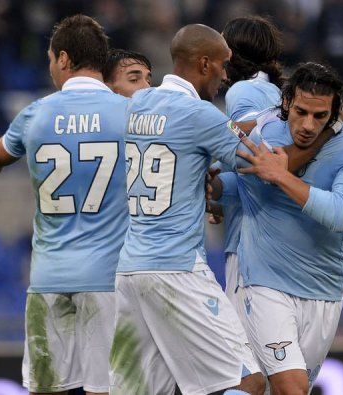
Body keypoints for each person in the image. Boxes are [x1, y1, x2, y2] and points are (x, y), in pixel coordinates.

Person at [108, 24, 265, 395]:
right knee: (247, 381)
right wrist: (277, 120)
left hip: (130, 271)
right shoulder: (200, 115)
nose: (226, 75)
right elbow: (262, 161)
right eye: (224, 66)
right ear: (205, 64)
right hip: (176, 268)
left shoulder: (138, 104)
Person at [0, 15, 128, 395]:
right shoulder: (130, 114)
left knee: (47, 390)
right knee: (106, 390)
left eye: (49, 59)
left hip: (49, 279)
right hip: (109, 280)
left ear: (63, 58)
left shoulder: (35, 114)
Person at [212, 62, 343, 394]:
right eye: (301, 111)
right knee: (291, 386)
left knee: (265, 388)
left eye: (320, 115)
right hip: (263, 281)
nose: (308, 124)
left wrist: (282, 176)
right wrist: (212, 192)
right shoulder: (261, 134)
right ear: (286, 103)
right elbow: (228, 176)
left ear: (334, 113)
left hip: (325, 291)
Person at [215, 15, 283, 309]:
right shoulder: (272, 90)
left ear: (230, 52)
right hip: (271, 235)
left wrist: (214, 180)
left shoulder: (242, 91)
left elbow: (247, 149)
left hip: (249, 239)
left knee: (243, 349)